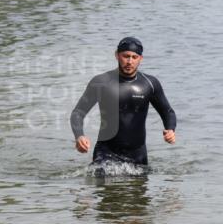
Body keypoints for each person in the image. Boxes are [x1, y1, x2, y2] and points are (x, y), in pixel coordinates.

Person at [70, 37, 177, 168]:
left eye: (134, 57)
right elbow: (78, 112)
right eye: (125, 56)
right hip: (106, 153)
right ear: (117, 55)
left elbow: (168, 112)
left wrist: (171, 129)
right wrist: (79, 136)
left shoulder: (150, 84)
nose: (129, 61)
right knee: (103, 183)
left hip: (138, 155)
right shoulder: (101, 82)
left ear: (140, 59)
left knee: (137, 188)